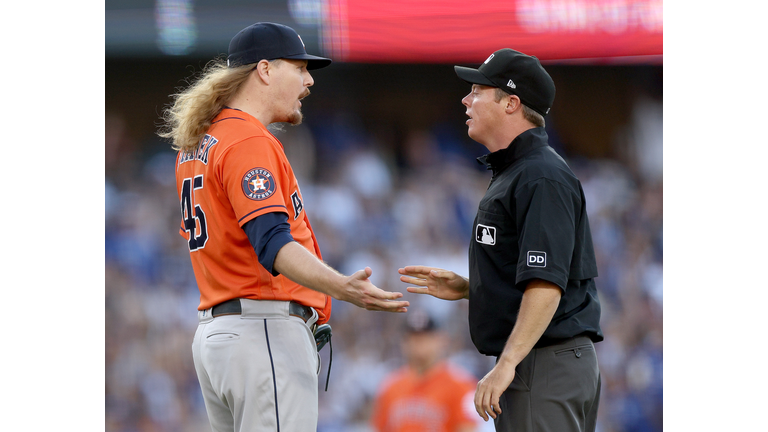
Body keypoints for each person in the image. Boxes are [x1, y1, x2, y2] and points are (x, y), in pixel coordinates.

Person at [158, 22, 409, 432]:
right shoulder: (245, 139)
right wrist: (341, 287)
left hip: (221, 335)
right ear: (265, 70)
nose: (309, 80)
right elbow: (273, 243)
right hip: (262, 331)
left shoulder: (201, 143)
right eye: (300, 67)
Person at [399, 48, 603, 432]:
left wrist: (507, 364)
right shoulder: (519, 172)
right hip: (541, 359)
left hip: (543, 361)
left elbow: (546, 284)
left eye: (477, 90)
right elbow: (529, 276)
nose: (465, 99)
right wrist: (470, 288)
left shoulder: (539, 175)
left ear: (511, 103)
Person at [371, 310, 479, 432]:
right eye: (413, 338)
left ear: (441, 340)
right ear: (403, 342)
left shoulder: (462, 385)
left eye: (425, 338)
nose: (419, 344)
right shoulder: (390, 386)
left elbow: (468, 428)